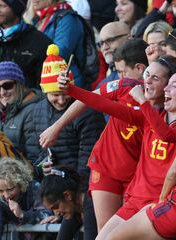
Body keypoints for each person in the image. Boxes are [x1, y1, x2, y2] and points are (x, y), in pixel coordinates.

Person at [59, 69, 176, 239]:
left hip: (160, 202)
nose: (166, 89)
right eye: (167, 85)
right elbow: (103, 104)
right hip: (136, 200)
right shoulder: (148, 117)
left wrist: (143, 101)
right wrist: (70, 90)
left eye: (174, 85)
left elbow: (165, 134)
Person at [39, 40, 159, 232]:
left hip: (137, 174)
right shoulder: (122, 85)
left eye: (121, 71)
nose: (119, 76)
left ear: (140, 68)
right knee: (106, 231)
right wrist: (56, 126)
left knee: (132, 232)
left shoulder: (161, 100)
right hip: (106, 167)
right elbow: (88, 99)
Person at [27, 44, 104, 238]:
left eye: (65, 94)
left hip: (85, 190)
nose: (61, 100)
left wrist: (69, 203)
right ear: (45, 92)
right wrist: (42, 168)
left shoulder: (85, 110)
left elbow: (89, 157)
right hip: (63, 193)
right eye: (55, 95)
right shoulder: (36, 112)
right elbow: (39, 153)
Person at [0, 0, 52, 128]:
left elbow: (47, 88)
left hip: (23, 125)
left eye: (2, 6)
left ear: (17, 9)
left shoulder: (38, 42)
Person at [0, 158, 52, 240]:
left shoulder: (34, 188)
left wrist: (22, 214)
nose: (6, 195)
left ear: (20, 184)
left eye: (10, 189)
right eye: (1, 190)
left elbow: (47, 214)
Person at [0, 61, 42, 159]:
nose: (2, 92)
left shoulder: (32, 111)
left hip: (20, 172)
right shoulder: (0, 112)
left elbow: (35, 157)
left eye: (7, 86)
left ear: (19, 85)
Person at [31, 0, 90, 88]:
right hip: (50, 81)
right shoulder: (40, 18)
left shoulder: (67, 18)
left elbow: (60, 53)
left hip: (68, 84)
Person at [41, 166, 97, 239]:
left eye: (56, 207)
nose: (56, 213)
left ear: (67, 195)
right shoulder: (72, 209)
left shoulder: (90, 205)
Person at [96, 21, 131, 87]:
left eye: (110, 40)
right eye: (101, 43)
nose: (104, 47)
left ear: (128, 38)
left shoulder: (142, 72)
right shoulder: (103, 84)